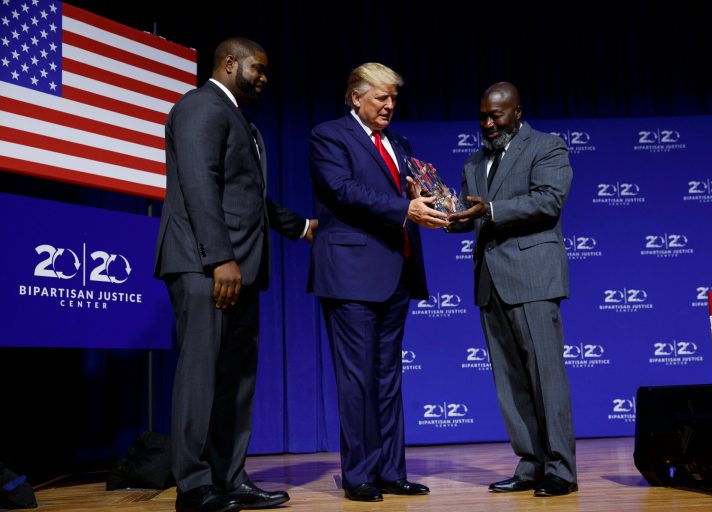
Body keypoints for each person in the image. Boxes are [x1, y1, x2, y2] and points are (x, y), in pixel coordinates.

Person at [154, 37, 317, 512]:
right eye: (258, 69)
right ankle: (194, 486)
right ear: (230, 63)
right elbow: (199, 182)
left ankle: (230, 478)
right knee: (201, 376)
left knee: (237, 379)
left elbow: (246, 198)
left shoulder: (239, 120)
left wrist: (302, 227)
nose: (264, 78)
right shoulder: (200, 106)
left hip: (239, 268)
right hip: (207, 265)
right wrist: (218, 257)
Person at [308, 63, 448, 502]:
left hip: (397, 274)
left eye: (393, 98)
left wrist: (435, 203)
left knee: (388, 378)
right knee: (358, 380)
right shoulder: (329, 136)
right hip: (350, 277)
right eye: (381, 97)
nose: (390, 105)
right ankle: (360, 475)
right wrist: (404, 210)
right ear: (355, 97)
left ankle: (391, 471)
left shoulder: (399, 143)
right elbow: (342, 190)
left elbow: (409, 196)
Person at [447, 82, 577, 497]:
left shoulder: (547, 147)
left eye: (496, 115)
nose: (487, 123)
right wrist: (443, 213)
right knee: (511, 383)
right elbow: (468, 219)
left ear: (517, 113)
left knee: (546, 378)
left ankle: (561, 469)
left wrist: (493, 209)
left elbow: (548, 201)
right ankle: (531, 463)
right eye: (482, 116)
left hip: (534, 279)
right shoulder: (473, 163)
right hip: (490, 283)